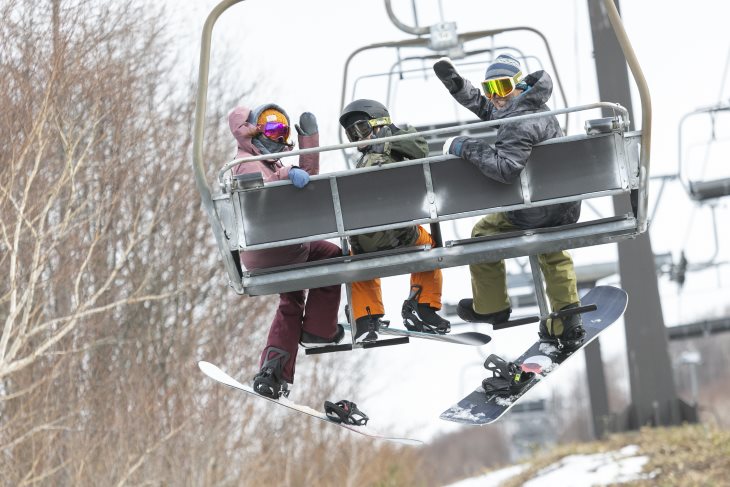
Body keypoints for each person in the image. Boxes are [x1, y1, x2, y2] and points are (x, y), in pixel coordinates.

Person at [433, 54, 586, 351]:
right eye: (490, 89)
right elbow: (489, 108)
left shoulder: (519, 122)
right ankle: (567, 318)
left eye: (502, 87)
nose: (496, 97)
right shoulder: (531, 105)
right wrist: (458, 86)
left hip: (534, 211)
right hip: (564, 206)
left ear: (518, 85)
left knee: (482, 234)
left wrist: (464, 146)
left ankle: (491, 305)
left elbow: (505, 169)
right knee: (552, 248)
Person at [228, 103, 343, 399]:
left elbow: (304, 182)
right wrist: (286, 174)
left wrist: (308, 144)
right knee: (331, 256)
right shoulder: (246, 162)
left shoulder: (267, 161)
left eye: (283, 130)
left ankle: (273, 370)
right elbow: (259, 201)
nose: (278, 137)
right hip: (270, 245)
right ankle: (319, 329)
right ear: (253, 130)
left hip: (280, 245)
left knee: (292, 299)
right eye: (271, 128)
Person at [338, 99, 450, 341]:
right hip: (402, 236)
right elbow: (421, 149)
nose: (358, 138)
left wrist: (391, 136)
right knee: (430, 245)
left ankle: (364, 317)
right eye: (352, 134)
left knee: (356, 260)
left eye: (361, 129)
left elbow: (418, 147)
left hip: (364, 243)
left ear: (379, 125)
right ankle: (423, 306)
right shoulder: (389, 152)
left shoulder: (380, 153)